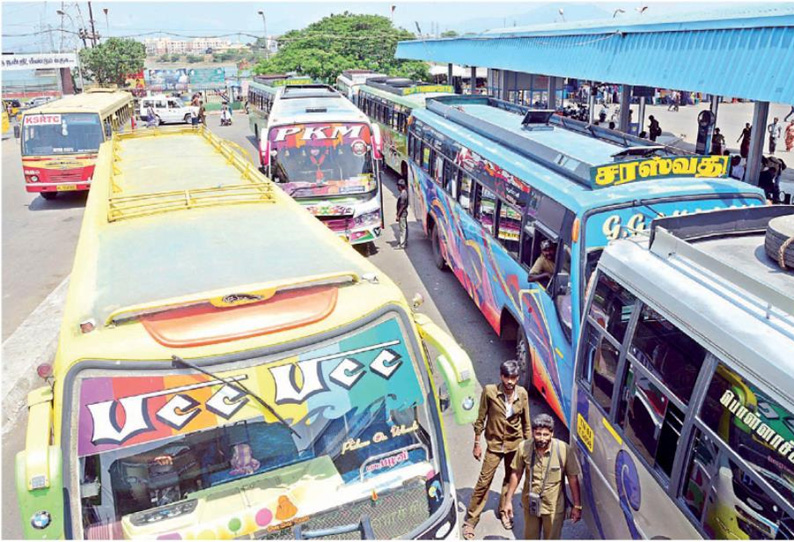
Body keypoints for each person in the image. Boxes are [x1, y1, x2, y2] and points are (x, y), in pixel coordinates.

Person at [462, 360, 531, 540]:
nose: (510, 381)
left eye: (513, 377)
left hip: (514, 445)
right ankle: (470, 520)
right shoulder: (490, 392)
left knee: (510, 479)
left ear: (517, 378)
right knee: (484, 481)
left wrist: (529, 447)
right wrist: (477, 443)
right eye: (507, 377)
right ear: (501, 376)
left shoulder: (522, 394)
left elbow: (526, 423)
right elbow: (481, 418)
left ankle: (504, 510)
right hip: (494, 445)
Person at [502, 414, 582, 540]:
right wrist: (508, 501)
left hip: (553, 508)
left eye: (545, 434)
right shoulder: (524, 447)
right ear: (533, 433)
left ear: (552, 434)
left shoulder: (564, 450)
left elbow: (573, 478)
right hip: (531, 504)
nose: (542, 438)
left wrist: (577, 506)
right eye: (538, 434)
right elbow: (516, 474)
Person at [396, 179, 409, 249]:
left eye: (398, 186)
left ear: (400, 186)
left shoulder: (403, 194)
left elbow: (402, 206)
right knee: (404, 228)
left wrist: (398, 215)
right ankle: (404, 242)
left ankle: (402, 244)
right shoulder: (404, 192)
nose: (397, 187)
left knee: (402, 229)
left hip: (402, 214)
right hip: (403, 213)